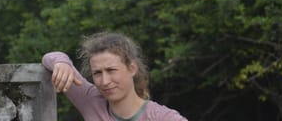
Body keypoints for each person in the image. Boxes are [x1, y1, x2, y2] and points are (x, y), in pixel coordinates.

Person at [42, 32, 187, 121]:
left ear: (132, 69)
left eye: (111, 70)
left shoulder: (163, 117)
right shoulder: (91, 100)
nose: (105, 81)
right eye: (97, 73)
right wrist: (62, 63)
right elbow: (50, 57)